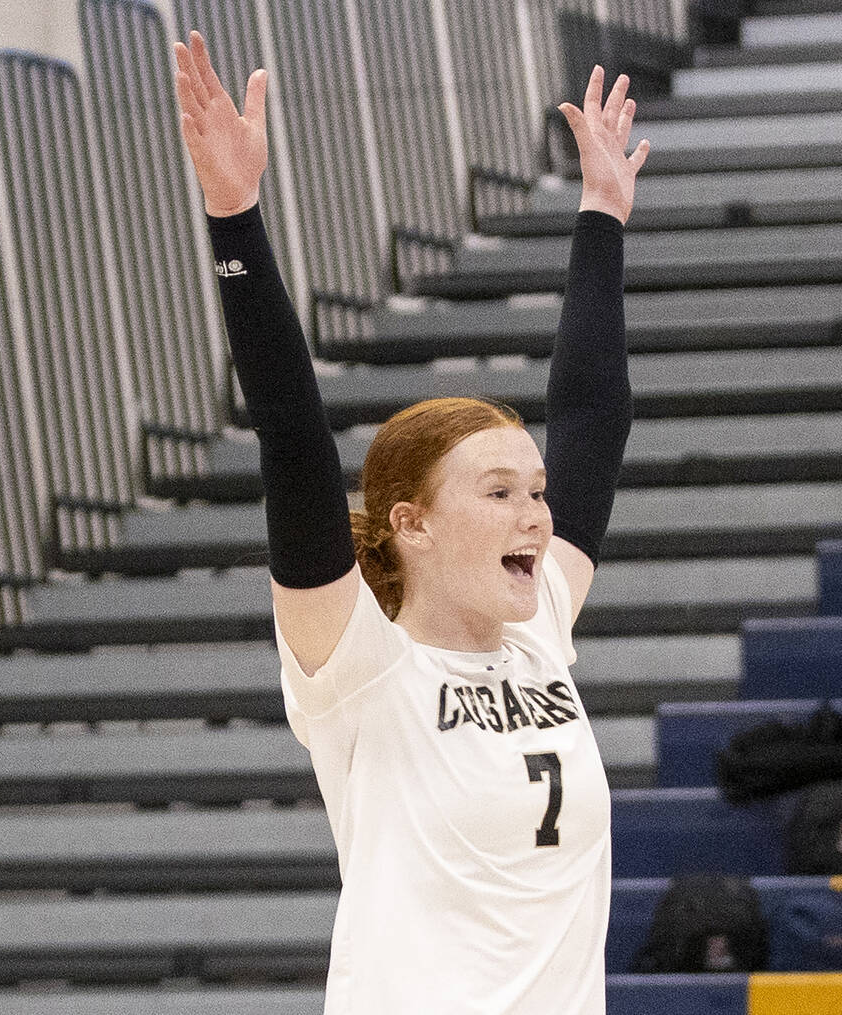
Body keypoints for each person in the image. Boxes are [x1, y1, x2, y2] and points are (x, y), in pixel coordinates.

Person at [173, 30, 648, 1015]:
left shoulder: (540, 632)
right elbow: (295, 448)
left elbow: (596, 415)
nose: (537, 513)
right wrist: (235, 221)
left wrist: (602, 214)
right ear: (413, 523)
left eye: (537, 489)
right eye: (501, 492)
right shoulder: (359, 667)